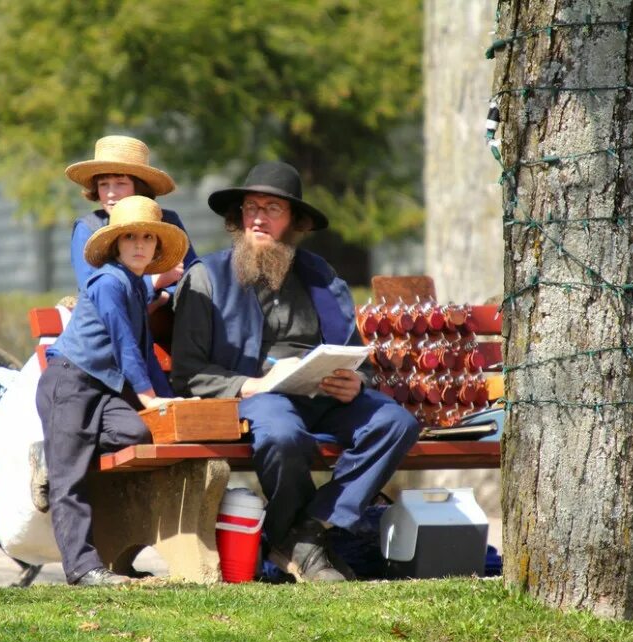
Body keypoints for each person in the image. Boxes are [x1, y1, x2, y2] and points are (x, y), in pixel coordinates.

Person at [171, 162, 420, 583]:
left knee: (396, 423)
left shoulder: (322, 277)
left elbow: (356, 353)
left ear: (294, 222)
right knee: (284, 436)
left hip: (324, 395)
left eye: (272, 208)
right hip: (259, 398)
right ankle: (305, 546)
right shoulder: (206, 278)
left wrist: (357, 381)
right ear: (238, 217)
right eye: (251, 207)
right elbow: (189, 373)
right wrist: (252, 383)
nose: (258, 217)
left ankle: (306, 529)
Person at [36, 195, 190, 586]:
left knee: (136, 433)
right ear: (116, 245)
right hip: (69, 382)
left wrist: (166, 398)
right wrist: (148, 395)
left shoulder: (138, 287)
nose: (139, 245)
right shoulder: (107, 281)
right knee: (68, 478)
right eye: (130, 238)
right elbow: (123, 342)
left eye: (147, 238)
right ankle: (83, 568)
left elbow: (143, 351)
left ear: (157, 247)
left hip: (102, 392)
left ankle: (57, 448)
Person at [65, 134, 198, 312]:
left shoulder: (167, 221)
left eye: (120, 183)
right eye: (104, 184)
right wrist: (153, 284)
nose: (111, 193)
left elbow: (194, 277)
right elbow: (94, 292)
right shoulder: (88, 227)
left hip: (174, 323)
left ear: (139, 187)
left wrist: (165, 295)